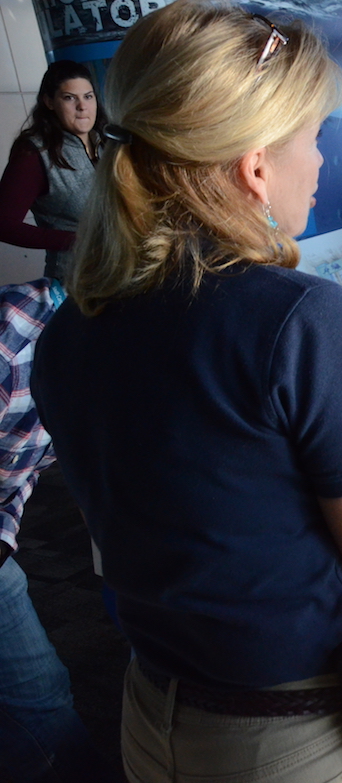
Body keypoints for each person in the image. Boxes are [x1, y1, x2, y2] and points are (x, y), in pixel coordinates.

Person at [29, 2, 342, 781]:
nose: (322, 161)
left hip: (154, 715)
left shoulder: (70, 332)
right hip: (292, 736)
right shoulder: (299, 317)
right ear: (255, 164)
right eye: (313, 138)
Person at [0, 279, 122, 783]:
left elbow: (19, 469)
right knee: (35, 698)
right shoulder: (18, 331)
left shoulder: (124, 365)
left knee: (40, 693)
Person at [0, 60, 105, 280]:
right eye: (69, 98)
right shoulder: (35, 152)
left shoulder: (107, 141)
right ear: (49, 102)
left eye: (88, 96)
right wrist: (77, 240)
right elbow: (4, 225)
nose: (82, 107)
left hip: (127, 278)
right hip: (77, 284)